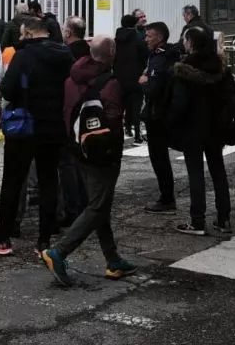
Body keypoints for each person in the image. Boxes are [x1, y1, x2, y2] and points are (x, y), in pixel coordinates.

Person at [42, 36, 137, 287]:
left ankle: (113, 259)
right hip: (103, 154)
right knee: (97, 206)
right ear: (112, 53)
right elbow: (114, 121)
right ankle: (59, 252)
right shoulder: (110, 83)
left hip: (78, 148)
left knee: (99, 203)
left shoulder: (72, 79)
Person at [0, 16, 75, 257]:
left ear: (32, 34)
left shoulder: (23, 56)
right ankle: (44, 240)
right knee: (48, 181)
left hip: (24, 127)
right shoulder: (65, 55)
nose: (20, 38)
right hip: (53, 126)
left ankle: (2, 237)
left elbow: (7, 88)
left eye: (23, 34)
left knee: (13, 181)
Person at [169, 27, 233, 237]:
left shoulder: (185, 68)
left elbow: (179, 103)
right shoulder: (220, 66)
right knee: (218, 172)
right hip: (216, 127)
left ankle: (198, 221)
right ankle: (224, 219)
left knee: (196, 173)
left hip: (192, 127)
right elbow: (231, 96)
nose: (184, 43)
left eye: (186, 40)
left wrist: (172, 124)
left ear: (191, 43)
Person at [138, 22, 180, 213]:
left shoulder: (161, 57)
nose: (146, 39)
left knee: (159, 157)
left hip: (158, 113)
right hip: (161, 111)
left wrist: (144, 83)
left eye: (149, 36)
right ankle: (166, 196)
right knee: (159, 156)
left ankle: (167, 198)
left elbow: (154, 88)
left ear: (160, 38)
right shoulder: (160, 55)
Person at [113, 14, 149, 143]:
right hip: (135, 76)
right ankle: (137, 134)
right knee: (136, 106)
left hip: (120, 77)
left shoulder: (116, 39)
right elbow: (145, 54)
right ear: (134, 24)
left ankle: (123, 130)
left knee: (122, 106)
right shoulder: (138, 39)